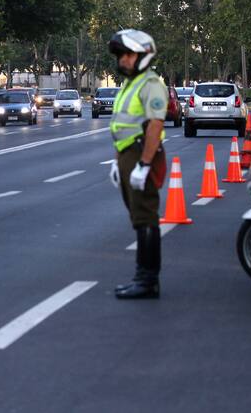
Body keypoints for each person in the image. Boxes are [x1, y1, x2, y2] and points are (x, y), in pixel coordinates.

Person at [107, 29, 168, 299]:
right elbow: (122, 125)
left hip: (143, 154)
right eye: (121, 55)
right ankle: (141, 276)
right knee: (138, 218)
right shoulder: (131, 83)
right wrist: (116, 160)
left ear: (142, 56)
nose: (122, 60)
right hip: (127, 155)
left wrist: (144, 164)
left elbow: (155, 125)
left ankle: (147, 280)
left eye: (127, 55)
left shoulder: (151, 84)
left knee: (146, 218)